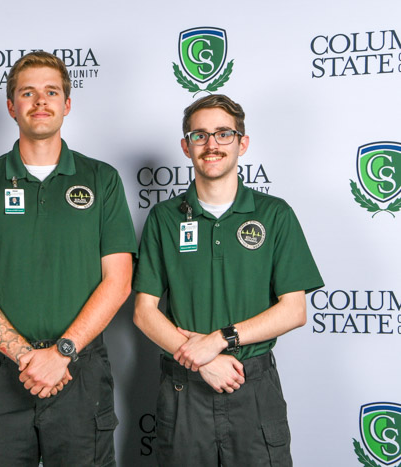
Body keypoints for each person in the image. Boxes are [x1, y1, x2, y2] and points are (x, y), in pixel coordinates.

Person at [0, 51, 137, 466]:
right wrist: (28, 358)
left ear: (67, 103)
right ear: (11, 106)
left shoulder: (102, 179)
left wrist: (61, 353)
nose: (40, 101)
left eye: (51, 92)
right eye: (28, 93)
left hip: (79, 371)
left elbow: (118, 281)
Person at [133, 94, 323, 466]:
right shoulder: (164, 218)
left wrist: (221, 340)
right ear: (186, 146)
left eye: (223, 134)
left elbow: (294, 310)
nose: (212, 145)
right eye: (200, 135)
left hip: (251, 385)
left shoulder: (275, 214)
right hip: (184, 388)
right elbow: (143, 312)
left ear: (242, 143)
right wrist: (201, 360)